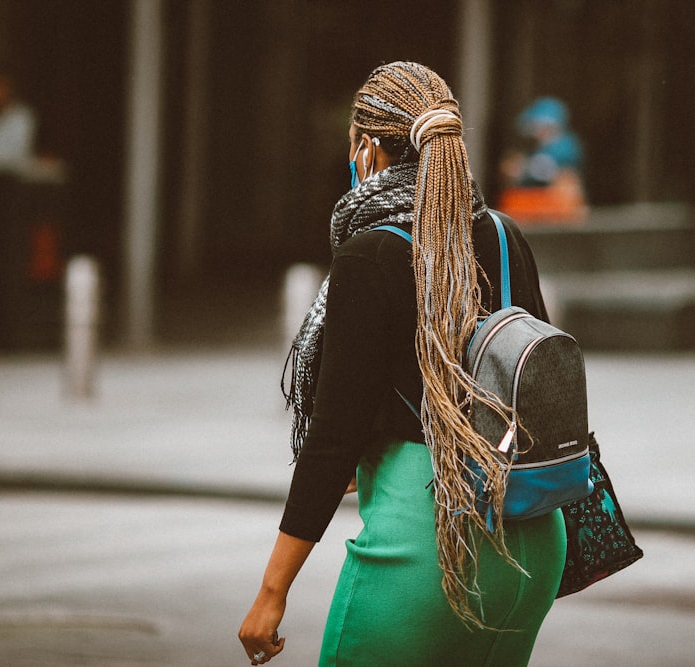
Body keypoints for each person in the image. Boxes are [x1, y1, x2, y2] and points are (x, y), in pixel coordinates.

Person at [239, 61, 564, 666]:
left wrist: (270, 593)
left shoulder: (369, 255)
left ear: (367, 149)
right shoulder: (501, 233)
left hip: (434, 544)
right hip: (534, 534)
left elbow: (335, 436)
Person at [498, 97, 588, 223]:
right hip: (543, 207)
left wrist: (523, 169)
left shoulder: (564, 146)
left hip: (562, 207)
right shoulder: (542, 147)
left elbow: (546, 170)